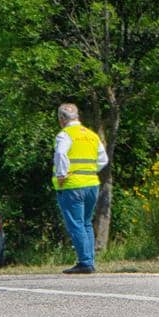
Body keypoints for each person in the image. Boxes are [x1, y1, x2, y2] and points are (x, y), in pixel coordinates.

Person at [52, 102, 107, 274]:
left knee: (75, 224)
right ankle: (89, 260)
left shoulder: (65, 135)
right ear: (77, 116)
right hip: (92, 183)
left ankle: (85, 262)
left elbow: (61, 154)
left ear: (62, 119)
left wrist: (61, 174)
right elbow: (103, 160)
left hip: (72, 185)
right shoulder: (91, 135)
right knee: (86, 223)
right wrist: (89, 171)